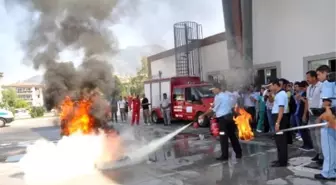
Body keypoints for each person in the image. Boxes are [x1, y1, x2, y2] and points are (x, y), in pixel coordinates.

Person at [200, 83, 242, 161]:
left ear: (218, 89)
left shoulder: (218, 97)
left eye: (213, 89)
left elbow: (212, 109)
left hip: (223, 121)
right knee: (233, 136)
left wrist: (203, 115)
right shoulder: (229, 94)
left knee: (223, 138)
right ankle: (239, 153)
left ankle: (224, 156)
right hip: (230, 118)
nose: (212, 91)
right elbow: (232, 106)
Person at [314, 65, 336, 180]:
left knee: (328, 146)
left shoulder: (328, 83)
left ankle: (328, 173)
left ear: (324, 73)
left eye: (318, 74)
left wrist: (323, 116)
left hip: (331, 117)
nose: (317, 77)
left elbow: (327, 103)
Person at [270, 79, 289, 167]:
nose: (270, 88)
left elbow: (281, 109)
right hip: (277, 117)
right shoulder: (278, 94)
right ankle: (280, 159)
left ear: (275, 85)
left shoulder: (281, 94)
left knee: (281, 141)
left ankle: (282, 162)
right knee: (278, 140)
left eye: (271, 86)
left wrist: (278, 123)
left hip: (280, 118)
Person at [306, 70, 323, 163]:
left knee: (319, 135)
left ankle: (322, 155)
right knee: (313, 135)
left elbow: (322, 101)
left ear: (314, 77)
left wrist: (320, 115)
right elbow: (308, 101)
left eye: (308, 77)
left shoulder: (321, 86)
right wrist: (306, 113)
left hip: (319, 114)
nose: (307, 79)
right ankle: (317, 152)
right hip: (311, 114)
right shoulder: (309, 88)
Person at [295, 81, 314, 151]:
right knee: (301, 130)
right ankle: (305, 143)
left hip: (304, 113)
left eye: (302, 88)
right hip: (299, 112)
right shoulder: (302, 92)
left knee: (304, 130)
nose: (301, 89)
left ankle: (309, 145)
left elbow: (307, 103)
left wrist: (304, 114)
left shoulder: (307, 93)